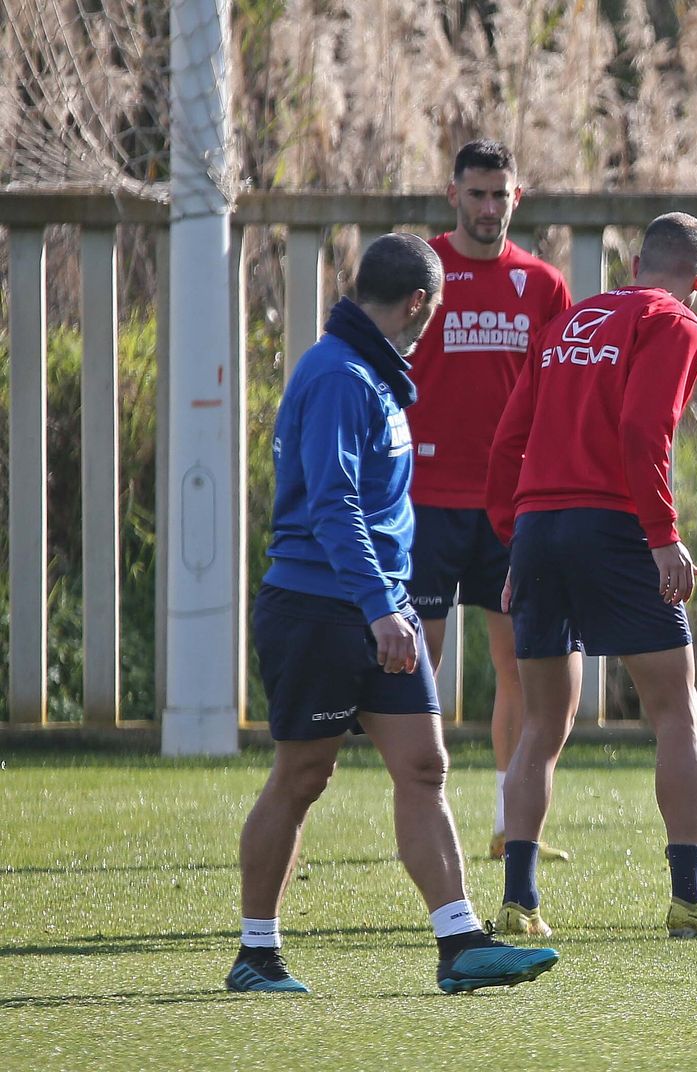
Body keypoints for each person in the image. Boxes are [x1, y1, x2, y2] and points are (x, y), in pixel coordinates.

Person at [229, 233, 560, 996]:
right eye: (432, 312)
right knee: (303, 773)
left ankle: (460, 944)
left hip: (383, 605)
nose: (430, 324)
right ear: (417, 304)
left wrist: (392, 605)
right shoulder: (342, 376)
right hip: (320, 606)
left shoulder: (371, 373)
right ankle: (256, 952)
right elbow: (334, 506)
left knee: (424, 764)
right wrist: (382, 607)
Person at [486, 212, 697, 940]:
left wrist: (516, 543)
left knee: (542, 725)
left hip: (540, 527)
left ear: (636, 260)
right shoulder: (674, 323)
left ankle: (519, 904)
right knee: (677, 710)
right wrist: (664, 539)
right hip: (613, 527)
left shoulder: (570, 320)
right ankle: (686, 898)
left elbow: (508, 440)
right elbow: (644, 431)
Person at [404, 139, 573, 863]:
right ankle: (421, 805)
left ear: (517, 198)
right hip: (428, 498)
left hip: (510, 504)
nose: (486, 207)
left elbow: (563, 388)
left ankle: (511, 822)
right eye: (475, 193)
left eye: (498, 194)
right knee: (418, 660)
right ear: (453, 196)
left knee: (517, 662)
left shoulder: (541, 285)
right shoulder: (420, 274)